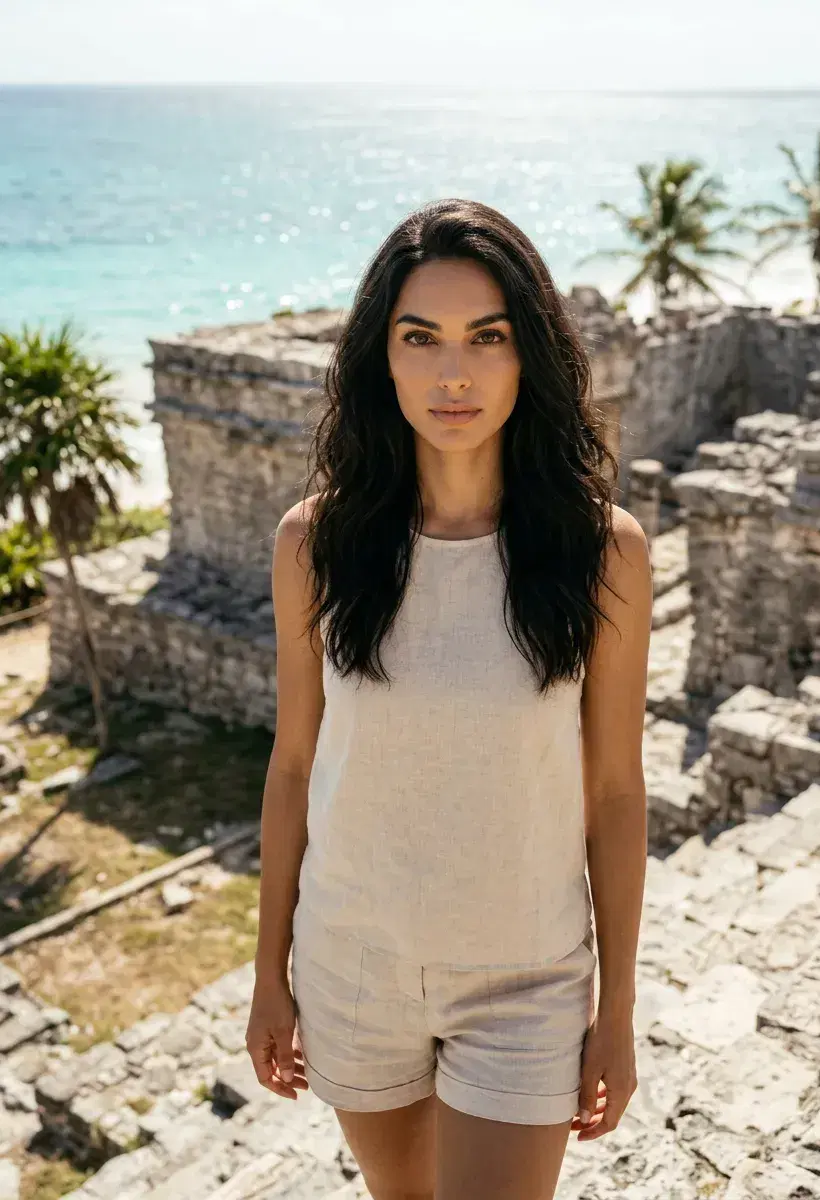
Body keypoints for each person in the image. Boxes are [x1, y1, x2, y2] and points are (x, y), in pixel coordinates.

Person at [245, 197, 651, 1200]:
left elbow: (611, 794)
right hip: (352, 968)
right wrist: (267, 975)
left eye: (487, 338)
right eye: (419, 338)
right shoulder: (316, 545)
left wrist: (617, 1011)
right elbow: (295, 765)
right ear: (381, 359)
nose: (452, 373)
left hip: (525, 981)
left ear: (529, 357)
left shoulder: (603, 555)